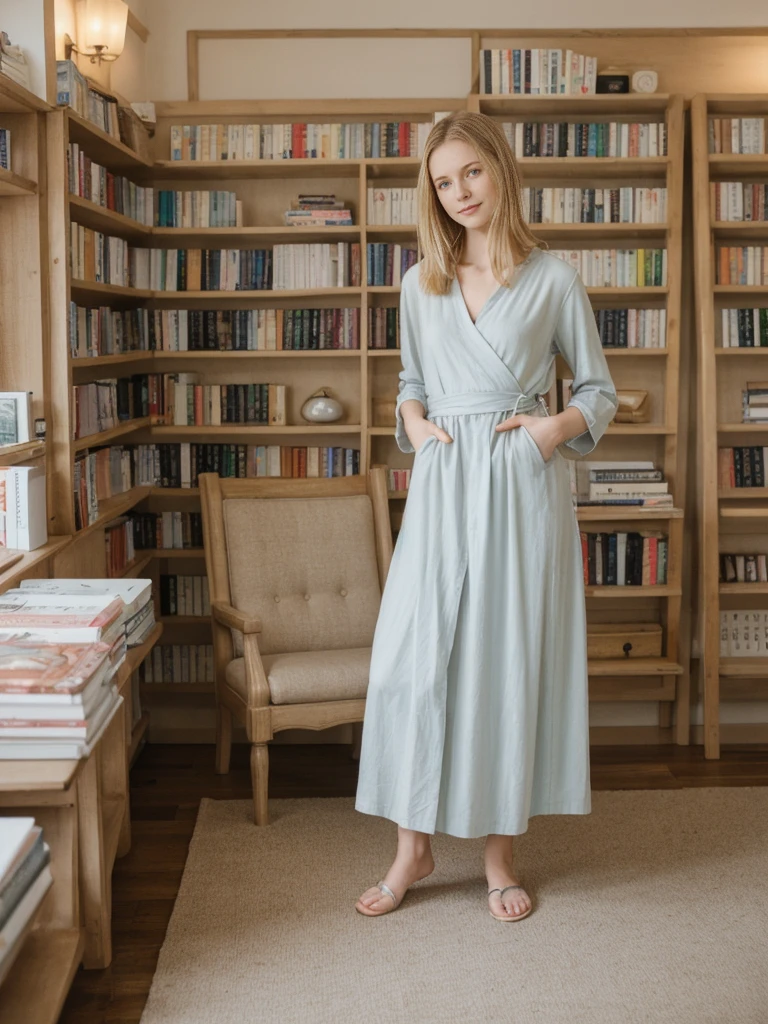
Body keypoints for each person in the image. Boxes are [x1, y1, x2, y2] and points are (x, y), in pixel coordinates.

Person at [353, 111, 619, 922]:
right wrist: (413, 422)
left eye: (471, 172)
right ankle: (413, 847)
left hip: (517, 482)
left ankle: (500, 857)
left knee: (504, 664)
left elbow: (598, 393)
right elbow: (409, 377)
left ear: (500, 170)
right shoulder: (418, 280)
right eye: (443, 181)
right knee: (413, 662)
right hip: (441, 485)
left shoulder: (553, 278)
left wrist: (549, 432)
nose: (459, 192)